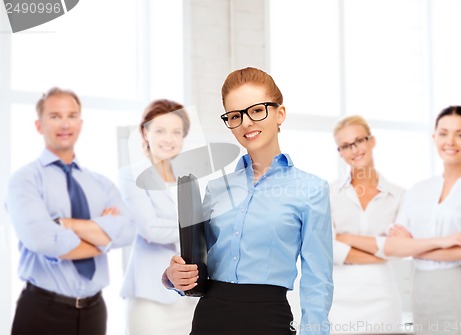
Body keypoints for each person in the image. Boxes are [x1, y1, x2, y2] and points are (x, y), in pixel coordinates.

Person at [163, 67, 333, 335]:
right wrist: (173, 278)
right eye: (235, 116)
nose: (246, 123)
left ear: (280, 113)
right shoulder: (216, 189)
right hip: (209, 319)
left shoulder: (311, 189)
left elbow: (317, 280)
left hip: (269, 320)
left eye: (256, 110)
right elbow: (195, 263)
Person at [6, 87, 134, 335]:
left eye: (72, 115)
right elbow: (42, 239)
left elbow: (128, 230)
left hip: (94, 311)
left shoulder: (101, 183)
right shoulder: (24, 180)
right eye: (54, 116)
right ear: (39, 125)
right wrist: (103, 237)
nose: (65, 123)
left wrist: (65, 223)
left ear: (81, 123)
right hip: (42, 311)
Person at [384, 106, 461, 335]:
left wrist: (413, 246)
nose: (451, 141)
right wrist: (447, 241)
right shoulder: (417, 190)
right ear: (434, 137)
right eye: (443, 133)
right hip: (422, 294)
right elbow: (393, 247)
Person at [119, 99, 198, 335]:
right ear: (145, 133)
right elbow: (150, 229)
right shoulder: (131, 175)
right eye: (160, 131)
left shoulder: (189, 179)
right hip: (150, 295)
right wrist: (194, 228)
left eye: (176, 132)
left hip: (188, 293)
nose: (169, 139)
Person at [328, 115, 404, 334]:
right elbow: (328, 248)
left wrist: (348, 239)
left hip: (383, 297)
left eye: (359, 141)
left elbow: (401, 249)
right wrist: (381, 252)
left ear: (372, 141)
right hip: (340, 298)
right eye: (345, 146)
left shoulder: (398, 196)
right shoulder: (329, 193)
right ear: (340, 152)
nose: (354, 150)